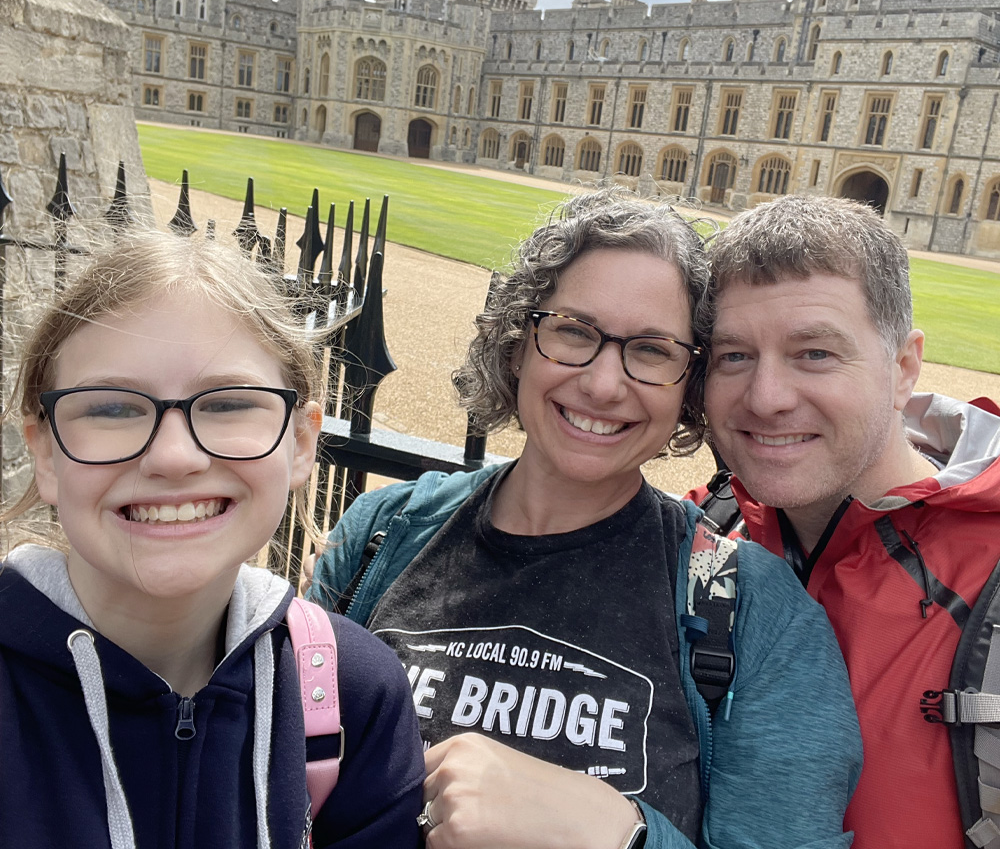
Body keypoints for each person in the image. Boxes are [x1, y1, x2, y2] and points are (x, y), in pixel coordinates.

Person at [309, 189, 862, 849]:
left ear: (688, 385)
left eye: (652, 350)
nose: (603, 384)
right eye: (574, 331)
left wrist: (620, 835)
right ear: (518, 345)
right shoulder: (381, 537)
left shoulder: (755, 612)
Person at [0, 232, 424, 848]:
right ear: (44, 453)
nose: (174, 457)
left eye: (227, 404)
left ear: (301, 444)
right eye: (112, 409)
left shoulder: (355, 693)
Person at [701, 193, 1000, 849]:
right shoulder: (702, 534)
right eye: (733, 356)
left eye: (815, 353)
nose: (767, 398)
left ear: (903, 369)